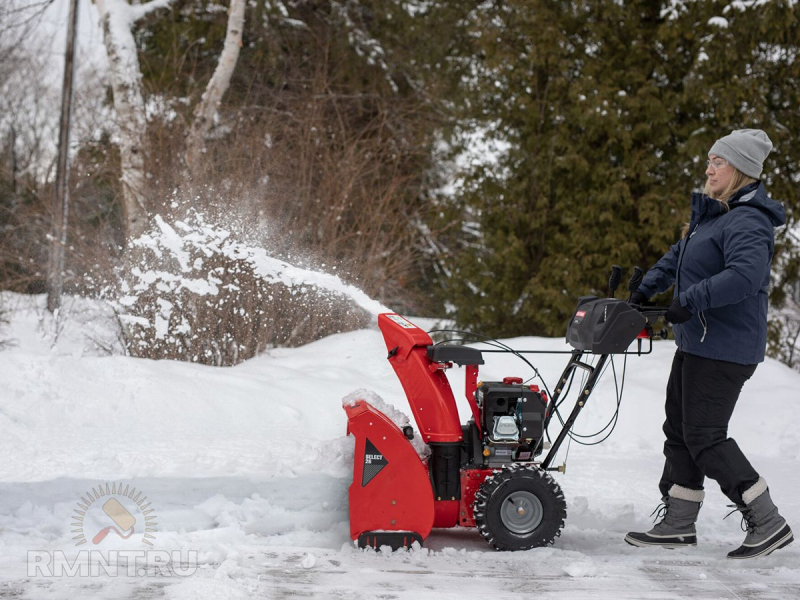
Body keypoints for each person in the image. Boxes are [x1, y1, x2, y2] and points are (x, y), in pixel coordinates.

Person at [623, 129, 793, 559]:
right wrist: (645, 289)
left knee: (704, 435)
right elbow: (677, 257)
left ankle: (767, 519)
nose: (708, 167)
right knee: (679, 430)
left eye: (718, 161)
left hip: (726, 349)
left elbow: (744, 278)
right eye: (710, 160)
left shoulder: (749, 221)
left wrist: (689, 300)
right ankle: (679, 522)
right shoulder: (714, 216)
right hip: (698, 342)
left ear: (739, 170)